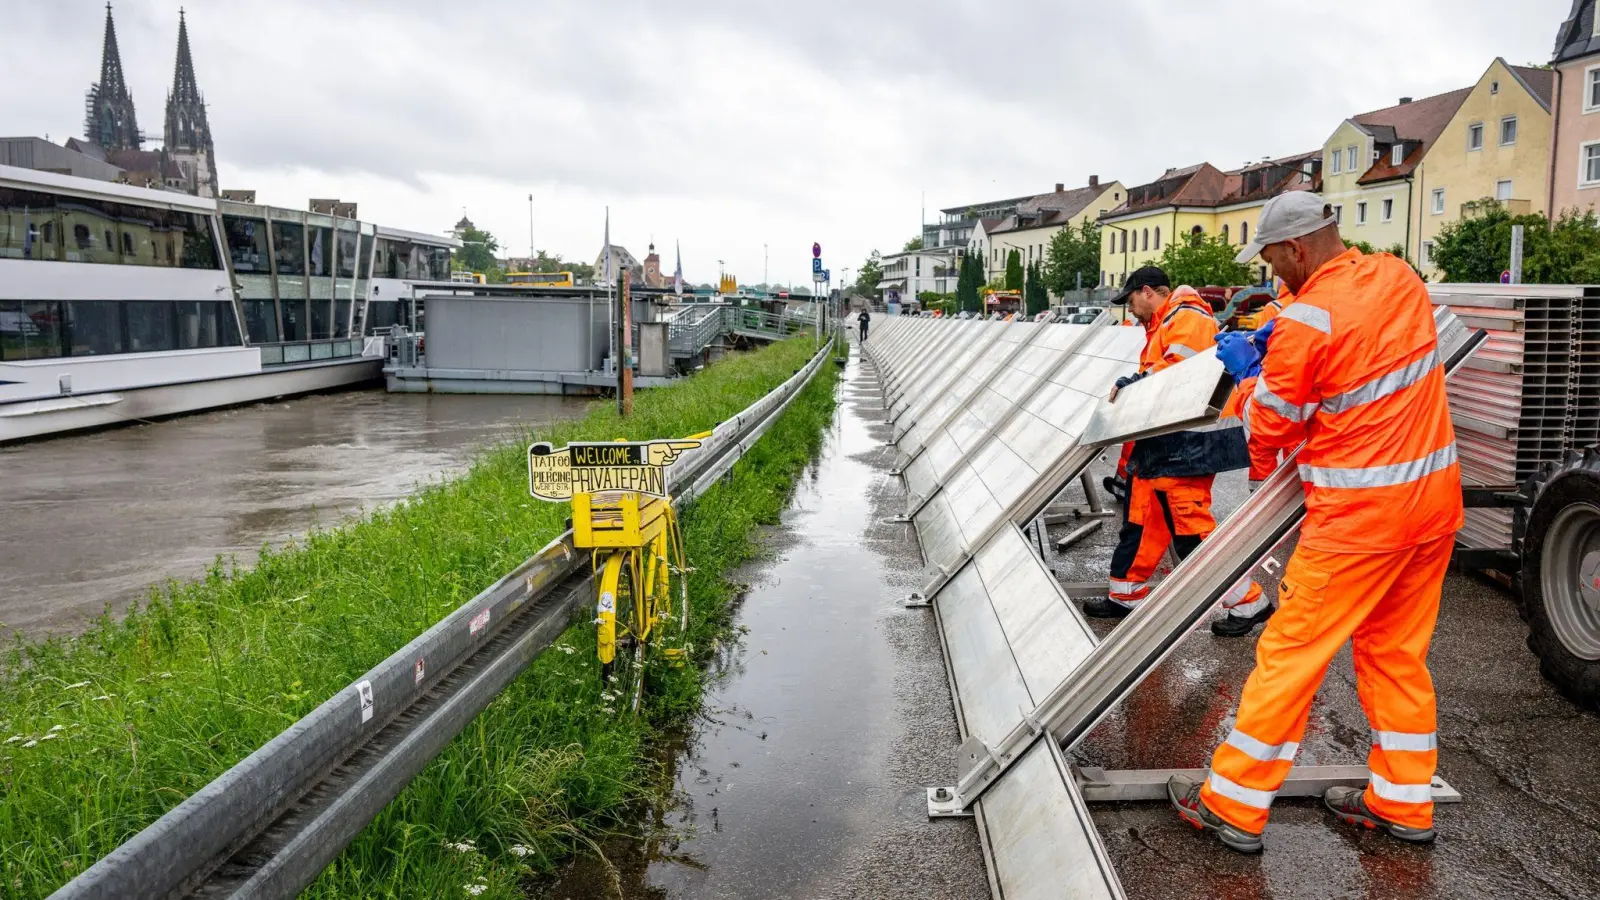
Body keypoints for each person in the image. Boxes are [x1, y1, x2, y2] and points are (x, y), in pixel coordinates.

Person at [1168, 191, 1463, 853]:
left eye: (1274, 260)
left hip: (1359, 523)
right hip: (1434, 508)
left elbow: (1271, 429)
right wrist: (1288, 339)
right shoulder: (1398, 278)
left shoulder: (1306, 321)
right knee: (1396, 657)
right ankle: (1403, 803)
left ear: (1298, 247)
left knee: (1290, 659)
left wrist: (1253, 378)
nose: (1274, 275)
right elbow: (1366, 351)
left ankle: (1232, 804)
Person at [1084, 266, 1265, 633]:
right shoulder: (1166, 322)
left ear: (1148, 291)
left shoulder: (1188, 316)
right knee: (1140, 518)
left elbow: (1175, 375)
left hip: (1189, 443)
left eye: (1131, 300)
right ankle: (1126, 594)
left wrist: (1135, 384)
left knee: (1189, 532)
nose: (1130, 310)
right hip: (1167, 440)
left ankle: (1249, 602)